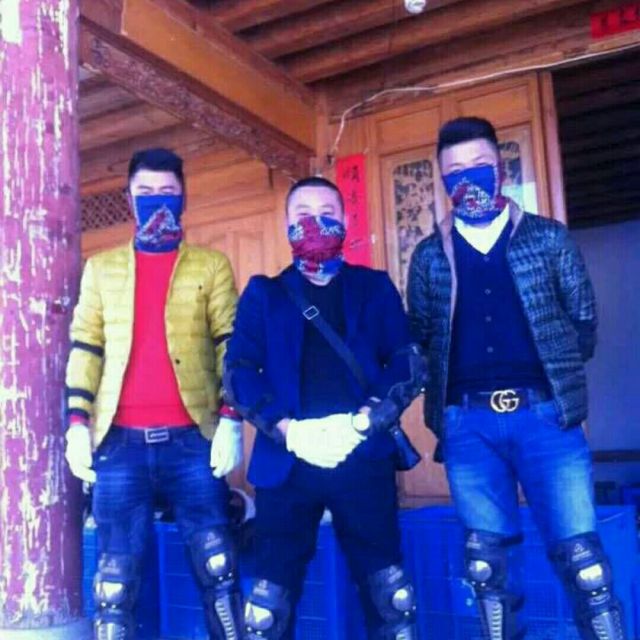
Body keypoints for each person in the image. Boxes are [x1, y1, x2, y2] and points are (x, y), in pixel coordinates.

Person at [407, 117, 627, 640]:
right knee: (488, 571)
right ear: (442, 179)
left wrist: (552, 379)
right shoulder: (429, 255)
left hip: (546, 418)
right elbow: (421, 336)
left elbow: (584, 322)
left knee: (585, 565)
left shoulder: (547, 238)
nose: (468, 177)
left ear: (500, 169)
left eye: (479, 165)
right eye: (455, 170)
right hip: (467, 427)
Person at [224, 176, 423, 639]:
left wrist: (365, 421)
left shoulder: (374, 287)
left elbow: (407, 360)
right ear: (287, 226)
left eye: (327, 213)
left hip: (363, 456)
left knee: (390, 597)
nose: (316, 223)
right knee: (267, 609)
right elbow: (238, 371)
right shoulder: (264, 293)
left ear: (345, 219)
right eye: (303, 215)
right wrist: (288, 429)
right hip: (286, 463)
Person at [64, 148, 244, 640]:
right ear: (129, 198)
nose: (156, 201)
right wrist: (77, 423)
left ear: (184, 197)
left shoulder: (211, 266)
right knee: (115, 583)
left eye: (167, 192)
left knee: (218, 567)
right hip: (119, 444)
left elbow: (231, 344)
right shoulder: (101, 269)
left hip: (192, 441)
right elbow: (86, 346)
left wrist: (232, 416)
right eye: (145, 192)